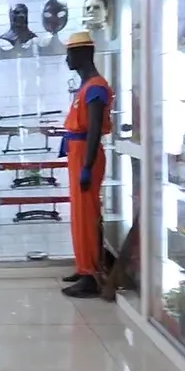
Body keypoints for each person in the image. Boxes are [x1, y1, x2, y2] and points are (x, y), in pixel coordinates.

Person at [59, 31, 113, 298]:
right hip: (77, 152)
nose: (66, 59)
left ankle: (90, 274)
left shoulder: (95, 88)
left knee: (87, 215)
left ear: (81, 54)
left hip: (85, 155)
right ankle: (83, 267)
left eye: (69, 53)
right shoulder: (85, 87)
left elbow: (93, 130)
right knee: (79, 215)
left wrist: (87, 166)